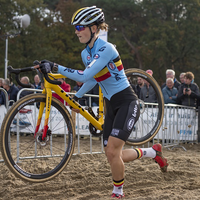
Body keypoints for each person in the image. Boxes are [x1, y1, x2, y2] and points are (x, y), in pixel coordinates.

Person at [39, 6, 168, 198]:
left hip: (126, 102)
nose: (76, 31)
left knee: (113, 152)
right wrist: (78, 95)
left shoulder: (107, 49)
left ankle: (118, 193)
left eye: (80, 26)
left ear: (94, 28)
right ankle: (152, 152)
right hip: (110, 106)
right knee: (113, 154)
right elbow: (93, 79)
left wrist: (56, 66)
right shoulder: (86, 54)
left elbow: (85, 75)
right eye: (75, 27)